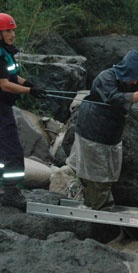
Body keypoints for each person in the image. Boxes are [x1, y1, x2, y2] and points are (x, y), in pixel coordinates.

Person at [66, 50, 138, 211]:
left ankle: (92, 203)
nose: (134, 82)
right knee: (97, 175)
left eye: (137, 79)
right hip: (93, 130)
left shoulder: (135, 81)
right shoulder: (105, 78)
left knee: (109, 173)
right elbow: (113, 98)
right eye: (132, 79)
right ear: (125, 72)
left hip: (112, 133)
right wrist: (137, 95)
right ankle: (101, 207)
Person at [0, 13, 47, 210]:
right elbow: (3, 85)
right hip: (1, 108)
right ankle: (10, 192)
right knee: (13, 151)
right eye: (8, 31)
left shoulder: (5, 52)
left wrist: (28, 83)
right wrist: (29, 91)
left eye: (13, 30)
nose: (12, 35)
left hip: (4, 107)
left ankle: (7, 188)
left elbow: (12, 77)